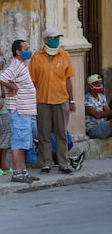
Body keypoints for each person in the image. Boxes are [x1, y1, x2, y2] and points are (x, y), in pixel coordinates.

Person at [29, 28, 76, 174]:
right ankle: (46, 163)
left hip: (61, 99)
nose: (56, 40)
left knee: (61, 133)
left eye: (57, 37)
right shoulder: (37, 57)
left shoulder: (64, 56)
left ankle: (64, 163)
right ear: (45, 40)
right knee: (44, 133)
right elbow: (32, 81)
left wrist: (72, 100)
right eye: (53, 37)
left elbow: (68, 80)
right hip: (42, 100)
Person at [0, 39, 40, 183]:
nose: (28, 50)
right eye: (26, 48)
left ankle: (23, 171)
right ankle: (17, 173)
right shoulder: (15, 65)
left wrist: (13, 86)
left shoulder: (21, 64)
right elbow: (0, 78)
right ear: (18, 52)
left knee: (23, 142)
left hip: (24, 110)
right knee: (18, 142)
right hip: (18, 109)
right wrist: (12, 87)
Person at [84, 74, 112, 138]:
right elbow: (97, 115)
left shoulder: (101, 97)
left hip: (104, 126)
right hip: (93, 129)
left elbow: (108, 112)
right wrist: (106, 113)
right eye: (97, 84)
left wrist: (107, 113)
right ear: (90, 86)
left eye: (100, 83)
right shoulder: (87, 98)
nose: (100, 85)